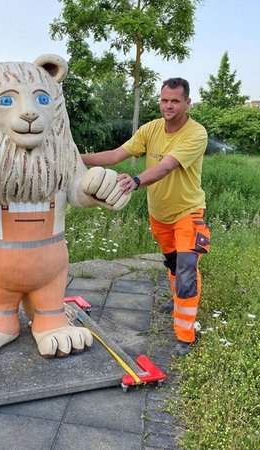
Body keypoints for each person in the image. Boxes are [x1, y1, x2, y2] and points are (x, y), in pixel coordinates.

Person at [81, 77, 210, 357]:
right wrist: (78, 158)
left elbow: (166, 166)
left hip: (189, 212)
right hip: (160, 214)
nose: (168, 106)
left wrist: (136, 181)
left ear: (188, 103)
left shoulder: (196, 133)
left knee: (187, 268)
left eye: (175, 100)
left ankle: (185, 335)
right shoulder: (151, 129)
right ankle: (178, 302)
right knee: (174, 264)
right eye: (164, 100)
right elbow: (116, 155)